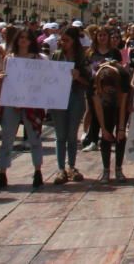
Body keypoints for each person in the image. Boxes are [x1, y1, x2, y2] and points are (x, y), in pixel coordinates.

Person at [0, 26, 47, 190]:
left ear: (31, 41)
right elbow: (3, 79)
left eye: (26, 37)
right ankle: (2, 173)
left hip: (32, 104)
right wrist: (0, 79)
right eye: (21, 37)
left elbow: (46, 80)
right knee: (7, 139)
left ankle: (38, 171)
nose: (23, 40)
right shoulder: (9, 58)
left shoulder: (40, 59)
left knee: (35, 138)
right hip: (12, 102)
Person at [50, 26, 90, 184]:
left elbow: (89, 82)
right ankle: (61, 168)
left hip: (75, 96)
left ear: (74, 42)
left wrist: (78, 77)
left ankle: (71, 166)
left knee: (72, 135)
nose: (63, 43)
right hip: (58, 97)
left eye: (66, 40)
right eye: (62, 39)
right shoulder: (56, 55)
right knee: (60, 135)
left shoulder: (82, 57)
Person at [81, 27, 123, 152]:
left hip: (110, 89)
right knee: (93, 113)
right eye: (100, 35)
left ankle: (107, 137)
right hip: (93, 86)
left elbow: (120, 68)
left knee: (108, 113)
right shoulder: (90, 52)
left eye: (104, 35)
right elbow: (85, 68)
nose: (102, 37)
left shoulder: (115, 52)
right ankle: (93, 139)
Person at [92, 61, 129, 183]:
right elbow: (98, 106)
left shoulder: (123, 78)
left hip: (120, 105)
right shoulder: (95, 81)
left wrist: (122, 129)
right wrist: (103, 129)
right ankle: (106, 170)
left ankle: (119, 168)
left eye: (111, 90)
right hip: (105, 107)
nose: (109, 92)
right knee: (105, 136)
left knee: (121, 137)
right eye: (106, 90)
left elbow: (122, 105)